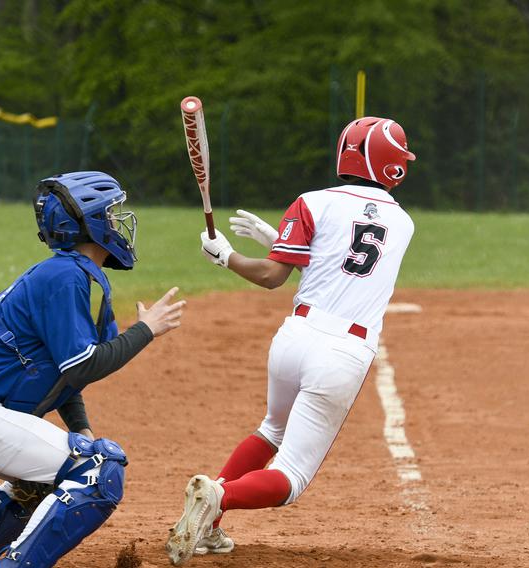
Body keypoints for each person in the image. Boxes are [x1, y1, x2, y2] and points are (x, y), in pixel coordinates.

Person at [166, 116, 416, 565]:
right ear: (391, 165)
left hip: (294, 338)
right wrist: (273, 250)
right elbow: (345, 267)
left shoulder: (311, 202)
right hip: (342, 352)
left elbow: (271, 276)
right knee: (290, 476)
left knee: (271, 429)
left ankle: (208, 528)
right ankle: (218, 498)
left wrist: (227, 255)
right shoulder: (402, 223)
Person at [0, 171, 186, 568]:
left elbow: (64, 372)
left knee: (45, 480)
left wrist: (79, 427)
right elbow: (82, 366)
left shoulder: (73, 275)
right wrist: (146, 330)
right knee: (99, 468)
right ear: (89, 223)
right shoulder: (65, 276)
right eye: (110, 214)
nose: (117, 222)